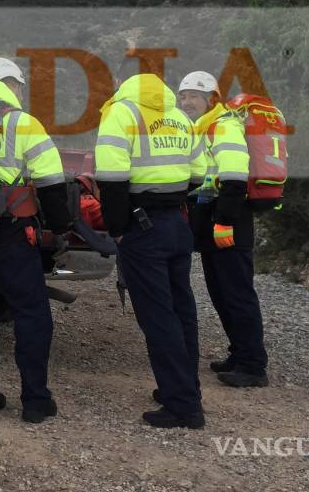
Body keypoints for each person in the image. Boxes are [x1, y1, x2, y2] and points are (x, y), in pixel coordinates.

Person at [0, 57, 73, 423]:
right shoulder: (23, 123)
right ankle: (36, 401)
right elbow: (52, 181)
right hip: (11, 233)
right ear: (14, 86)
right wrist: (60, 228)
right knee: (30, 312)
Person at [95, 73, 207, 429]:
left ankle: (182, 405)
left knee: (158, 316)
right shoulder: (179, 117)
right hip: (176, 222)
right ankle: (186, 388)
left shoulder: (121, 113)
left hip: (142, 228)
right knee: (181, 309)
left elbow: (111, 180)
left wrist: (117, 230)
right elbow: (197, 176)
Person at [177, 71, 269, 388]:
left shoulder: (224, 124)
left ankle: (253, 366)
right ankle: (240, 353)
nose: (187, 101)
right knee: (221, 292)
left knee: (237, 293)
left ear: (211, 99)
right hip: (215, 222)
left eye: (194, 96)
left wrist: (224, 222)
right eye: (183, 96)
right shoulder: (202, 128)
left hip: (229, 222)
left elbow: (233, 177)